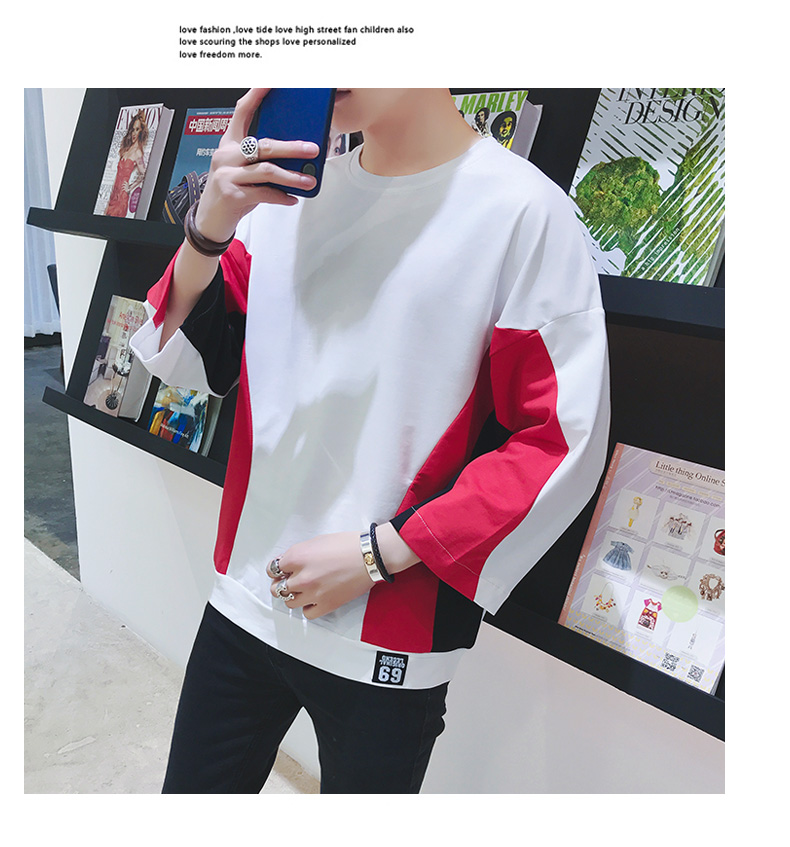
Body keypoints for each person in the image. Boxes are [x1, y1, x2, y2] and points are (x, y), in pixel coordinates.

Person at [130, 88, 610, 793]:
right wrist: (209, 229)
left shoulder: (523, 213)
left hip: (391, 635)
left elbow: (559, 440)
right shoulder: (286, 196)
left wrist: (379, 554)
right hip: (248, 596)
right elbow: (191, 360)